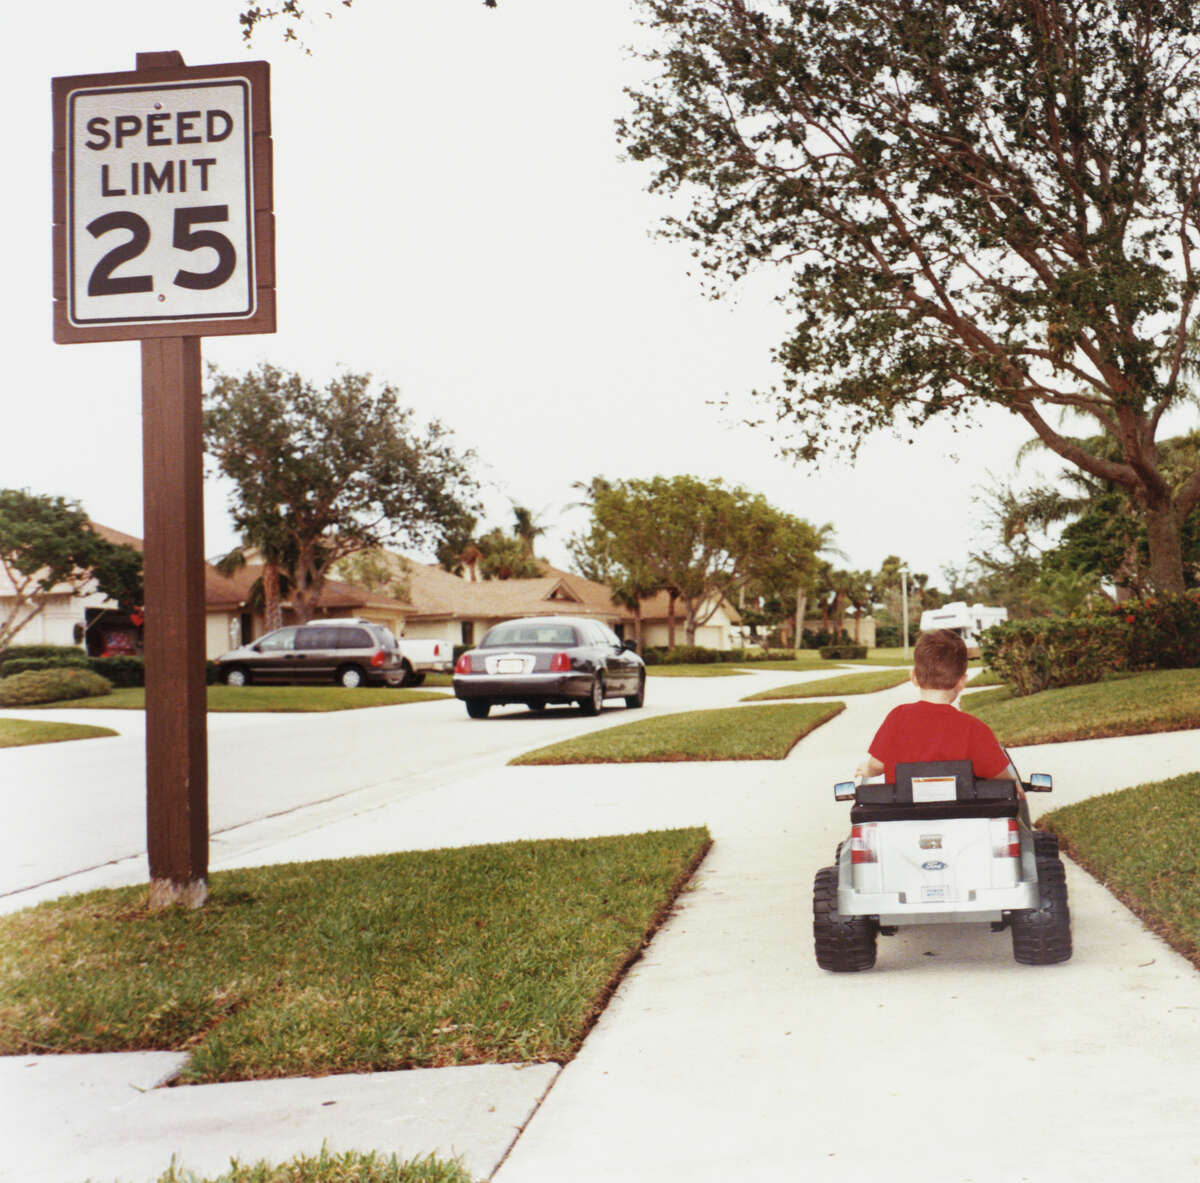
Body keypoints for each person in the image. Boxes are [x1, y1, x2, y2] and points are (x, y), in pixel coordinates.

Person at [856, 628, 1019, 791]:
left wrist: (868, 770)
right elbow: (1000, 776)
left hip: (903, 814)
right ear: (962, 681)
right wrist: (1015, 785)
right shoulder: (974, 729)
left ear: (913, 677)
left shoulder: (897, 718)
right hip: (961, 815)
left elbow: (877, 764)